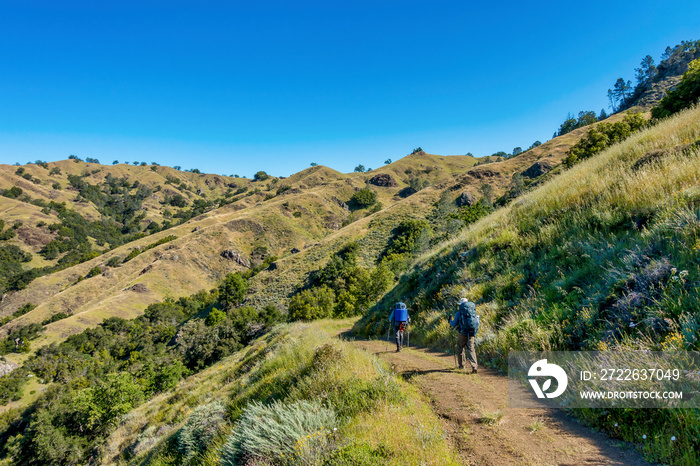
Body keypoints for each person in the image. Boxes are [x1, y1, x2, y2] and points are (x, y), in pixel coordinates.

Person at [449, 297, 478, 373]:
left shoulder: (459, 313)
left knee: (460, 348)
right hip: (471, 333)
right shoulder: (472, 312)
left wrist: (450, 321)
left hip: (462, 333)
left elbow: (454, 324)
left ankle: (462, 366)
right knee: (471, 349)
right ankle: (474, 367)